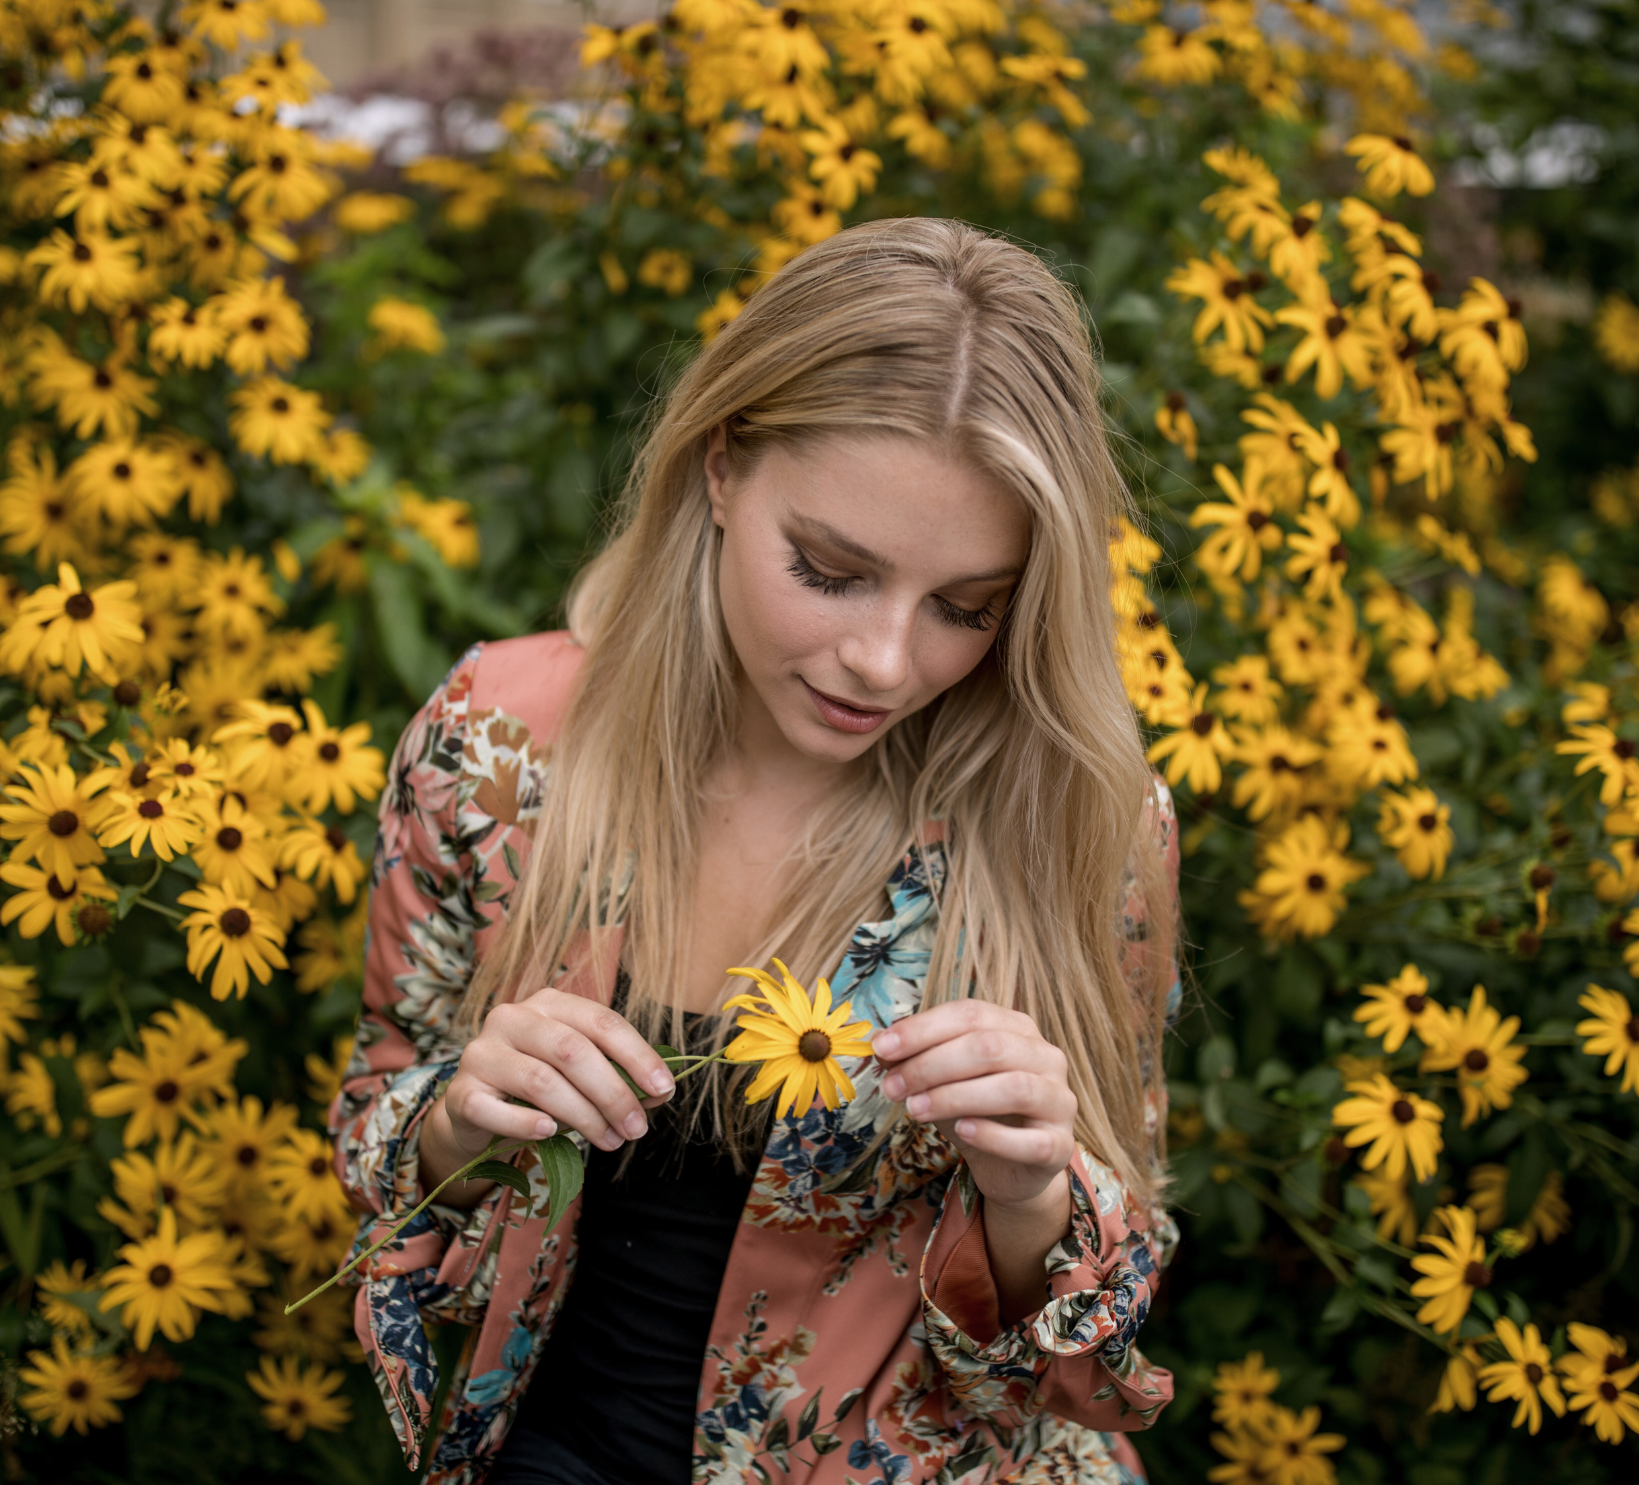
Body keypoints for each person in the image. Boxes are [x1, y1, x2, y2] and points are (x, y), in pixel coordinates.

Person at [330, 217, 1181, 1485]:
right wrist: (460, 1122)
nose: (886, 662)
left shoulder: (1078, 821)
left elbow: (1088, 1374)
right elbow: (375, 1151)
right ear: (722, 469)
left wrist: (1031, 1196)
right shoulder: (497, 751)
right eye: (831, 571)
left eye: (967, 609)